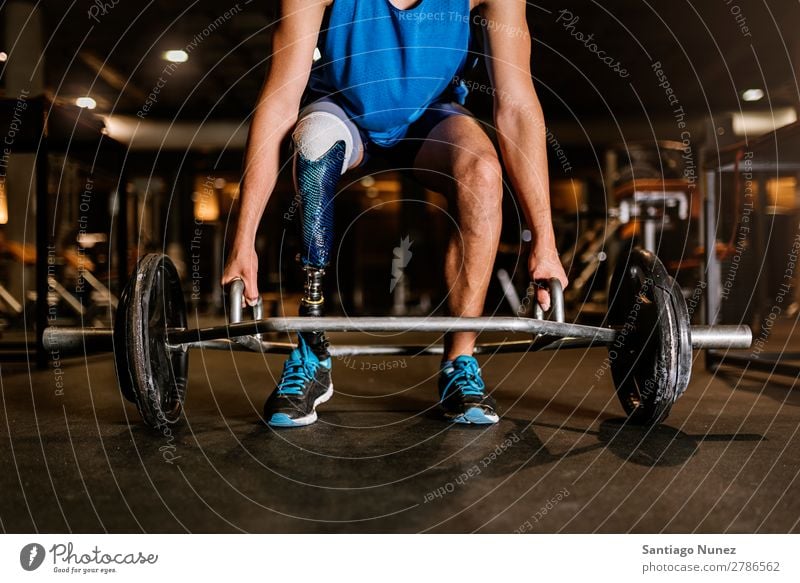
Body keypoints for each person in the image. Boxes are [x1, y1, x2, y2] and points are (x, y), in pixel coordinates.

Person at [222, 0, 568, 427]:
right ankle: (311, 350)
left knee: (481, 172)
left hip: (431, 116)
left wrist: (546, 242)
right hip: (340, 108)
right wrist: (244, 241)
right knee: (312, 146)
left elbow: (516, 106)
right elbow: (278, 104)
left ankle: (460, 362)